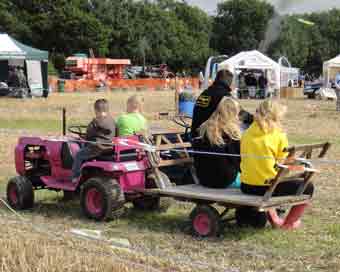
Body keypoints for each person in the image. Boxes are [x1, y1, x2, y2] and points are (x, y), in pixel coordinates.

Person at [240, 99, 314, 230]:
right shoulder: (278, 135)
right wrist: (299, 164)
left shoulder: (246, 133)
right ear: (275, 116)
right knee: (308, 186)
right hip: (267, 187)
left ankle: (274, 218)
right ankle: (289, 223)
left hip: (246, 185)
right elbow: (283, 166)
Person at [193, 97, 241, 189]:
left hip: (204, 179)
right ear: (233, 113)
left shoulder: (204, 128)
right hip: (226, 180)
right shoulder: (232, 132)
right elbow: (238, 161)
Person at [191, 68, 253, 139]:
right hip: (210, 136)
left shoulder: (205, 93)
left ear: (216, 79)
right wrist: (254, 118)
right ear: (229, 82)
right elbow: (240, 113)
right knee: (244, 128)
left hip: (195, 134)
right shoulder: (225, 96)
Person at [72, 99, 116, 182]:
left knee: (78, 155)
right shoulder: (112, 121)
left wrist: (83, 137)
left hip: (97, 148)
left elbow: (88, 135)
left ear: (96, 110)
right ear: (107, 110)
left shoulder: (95, 122)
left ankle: (75, 176)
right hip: (109, 148)